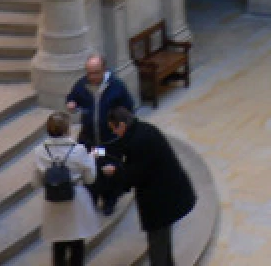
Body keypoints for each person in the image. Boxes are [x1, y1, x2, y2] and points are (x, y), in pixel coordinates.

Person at [102, 107, 196, 266]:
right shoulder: (143, 129)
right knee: (163, 244)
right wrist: (99, 153)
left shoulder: (138, 141)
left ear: (122, 125)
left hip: (160, 200)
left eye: (114, 129)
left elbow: (135, 175)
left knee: (158, 247)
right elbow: (122, 152)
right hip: (168, 195)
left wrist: (115, 172)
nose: (115, 133)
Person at [65, 54, 135, 214]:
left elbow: (128, 109)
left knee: (110, 171)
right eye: (89, 73)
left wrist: (120, 126)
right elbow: (72, 96)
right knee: (91, 170)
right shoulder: (82, 85)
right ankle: (93, 197)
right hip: (90, 140)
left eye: (96, 73)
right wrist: (71, 103)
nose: (92, 77)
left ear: (104, 70)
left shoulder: (117, 86)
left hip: (110, 142)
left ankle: (110, 200)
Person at [32, 112, 100, 266]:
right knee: (77, 245)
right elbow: (90, 178)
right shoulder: (79, 150)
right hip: (76, 200)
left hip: (53, 203)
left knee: (58, 245)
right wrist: (92, 159)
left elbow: (36, 182)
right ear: (66, 130)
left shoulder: (39, 151)